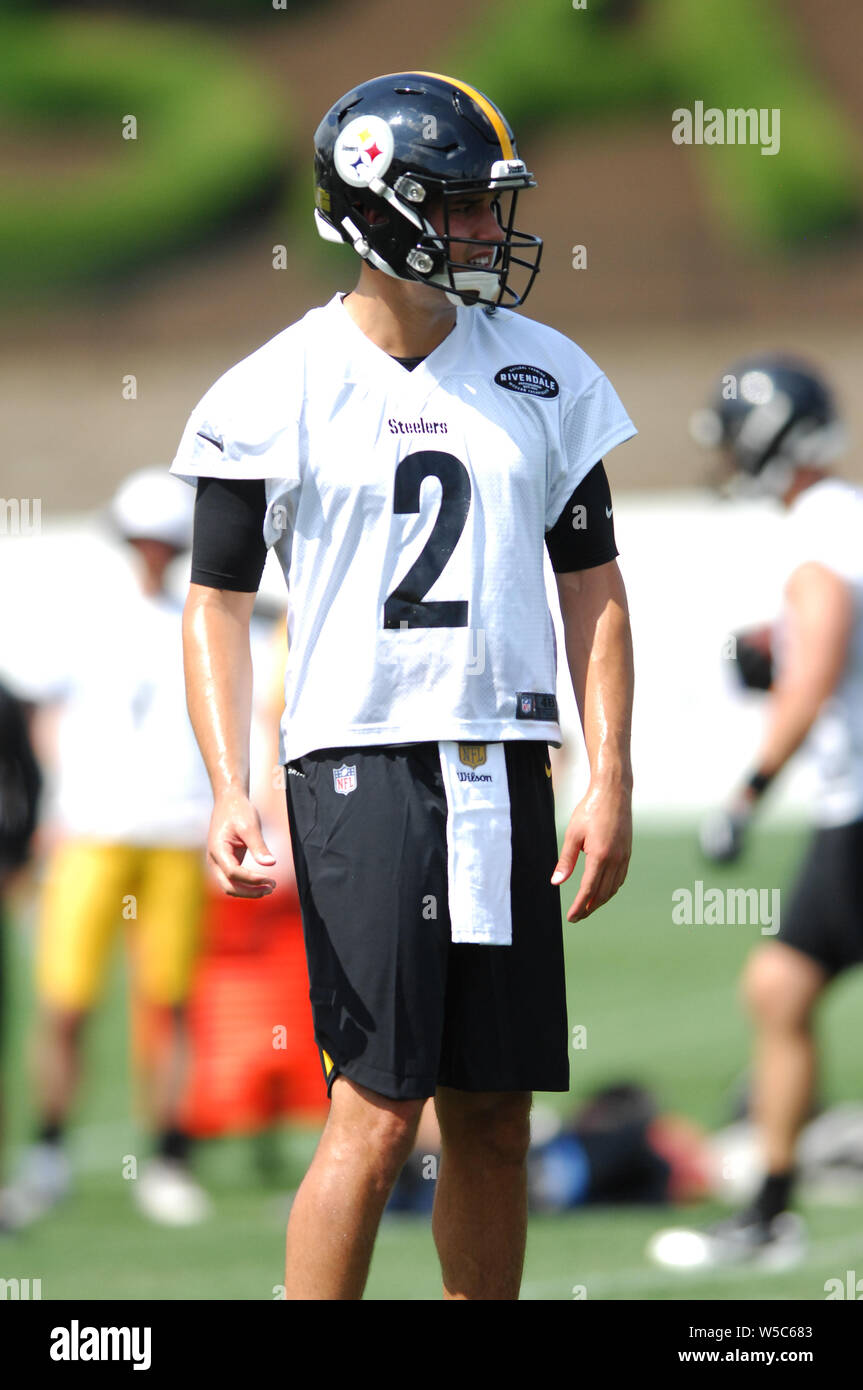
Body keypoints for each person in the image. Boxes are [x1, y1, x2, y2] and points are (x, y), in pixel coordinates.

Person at [172, 71, 636, 1300]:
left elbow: (591, 585)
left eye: (492, 208)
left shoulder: (542, 371)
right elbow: (213, 602)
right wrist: (228, 782)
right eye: (465, 207)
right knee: (378, 1107)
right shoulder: (276, 385)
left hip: (504, 761)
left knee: (490, 1111)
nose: (490, 231)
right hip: (360, 762)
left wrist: (611, 774)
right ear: (381, 208)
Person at [5, 469, 213, 1227]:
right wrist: (52, 801)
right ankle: (50, 1148)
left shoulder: (200, 617)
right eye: (144, 539)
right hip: (93, 834)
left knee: (169, 1003)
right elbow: (34, 709)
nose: (153, 552)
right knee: (65, 1001)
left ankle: (166, 1152)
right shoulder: (86, 617)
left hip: (175, 832)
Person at [690, 353, 863, 1267]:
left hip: (857, 808)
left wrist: (746, 792)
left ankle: (770, 1211)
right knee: (780, 987)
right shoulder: (840, 520)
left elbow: (819, 664)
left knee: (779, 987)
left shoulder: (818, 538)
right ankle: (773, 1203)